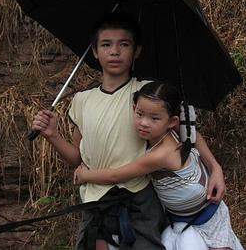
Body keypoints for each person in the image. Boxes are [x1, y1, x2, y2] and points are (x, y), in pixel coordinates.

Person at [32, 14, 226, 250]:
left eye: (124, 44)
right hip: (94, 199)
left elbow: (188, 132)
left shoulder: (146, 93)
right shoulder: (81, 101)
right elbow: (77, 159)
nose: (115, 51)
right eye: (106, 44)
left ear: (137, 51)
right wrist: (52, 135)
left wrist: (215, 168)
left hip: (139, 198)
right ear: (94, 51)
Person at [74, 81, 243, 250]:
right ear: (133, 109)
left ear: (171, 121)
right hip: (181, 219)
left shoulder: (161, 154)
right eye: (140, 114)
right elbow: (194, 135)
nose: (144, 123)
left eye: (154, 118)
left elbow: (116, 176)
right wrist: (215, 168)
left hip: (207, 216)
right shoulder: (170, 131)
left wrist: (85, 176)